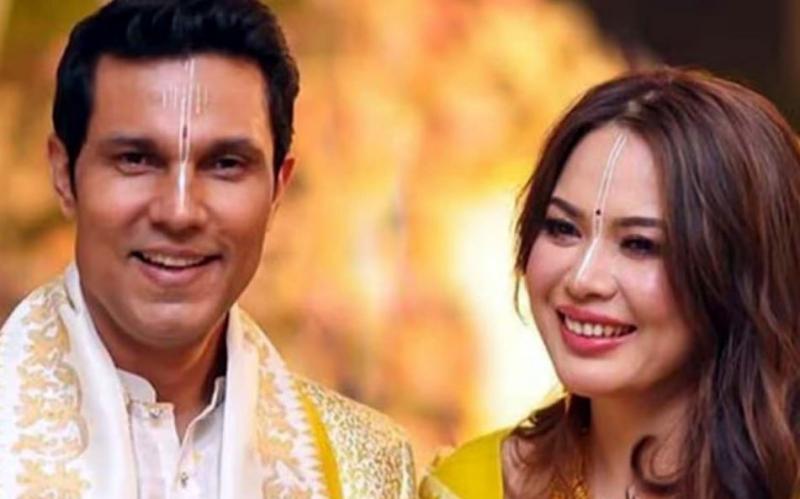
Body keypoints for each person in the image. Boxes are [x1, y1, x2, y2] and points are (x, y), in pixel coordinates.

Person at [0, 0, 415, 497]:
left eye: (225, 164)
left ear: (278, 189)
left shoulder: (361, 470)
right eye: (136, 159)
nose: (179, 212)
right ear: (63, 175)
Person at [420, 67, 800, 498]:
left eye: (639, 244)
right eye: (563, 228)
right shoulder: (467, 487)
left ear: (739, 270)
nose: (583, 279)